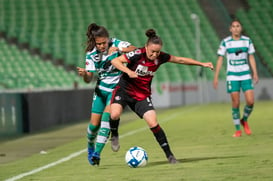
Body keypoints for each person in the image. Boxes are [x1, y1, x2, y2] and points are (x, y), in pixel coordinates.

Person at [109, 29, 214, 164]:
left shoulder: (161, 57)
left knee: (153, 123)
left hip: (142, 95)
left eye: (157, 52)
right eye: (152, 51)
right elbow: (116, 61)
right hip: (124, 90)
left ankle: (170, 156)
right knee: (115, 114)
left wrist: (202, 64)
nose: (154, 54)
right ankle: (115, 135)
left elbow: (180, 60)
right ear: (146, 47)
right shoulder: (136, 54)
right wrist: (129, 71)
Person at [77, 23, 136, 165]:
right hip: (101, 91)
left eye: (104, 43)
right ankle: (90, 145)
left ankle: (97, 153)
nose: (102, 46)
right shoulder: (91, 53)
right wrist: (85, 74)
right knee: (93, 126)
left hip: (116, 90)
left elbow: (135, 49)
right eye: (99, 44)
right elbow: (88, 79)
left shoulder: (116, 43)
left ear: (108, 39)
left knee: (106, 119)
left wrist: (120, 49)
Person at [213, 19, 259, 137]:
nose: (236, 28)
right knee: (236, 102)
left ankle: (244, 120)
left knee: (250, 101)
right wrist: (216, 77)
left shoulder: (247, 41)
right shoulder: (225, 42)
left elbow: (251, 57)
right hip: (232, 76)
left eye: (238, 26)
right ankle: (238, 129)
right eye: (233, 26)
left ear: (241, 28)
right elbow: (220, 59)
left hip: (245, 74)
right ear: (230, 29)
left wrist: (255, 73)